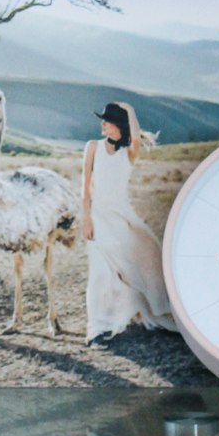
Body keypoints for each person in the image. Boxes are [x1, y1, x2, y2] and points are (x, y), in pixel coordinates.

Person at [83, 100, 177, 342]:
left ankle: (136, 308)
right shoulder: (92, 147)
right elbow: (85, 188)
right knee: (100, 271)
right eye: (102, 120)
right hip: (98, 217)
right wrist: (86, 218)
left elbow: (136, 139)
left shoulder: (129, 153)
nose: (103, 124)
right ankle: (97, 329)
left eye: (108, 120)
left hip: (122, 217)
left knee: (134, 265)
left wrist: (131, 111)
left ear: (119, 126)